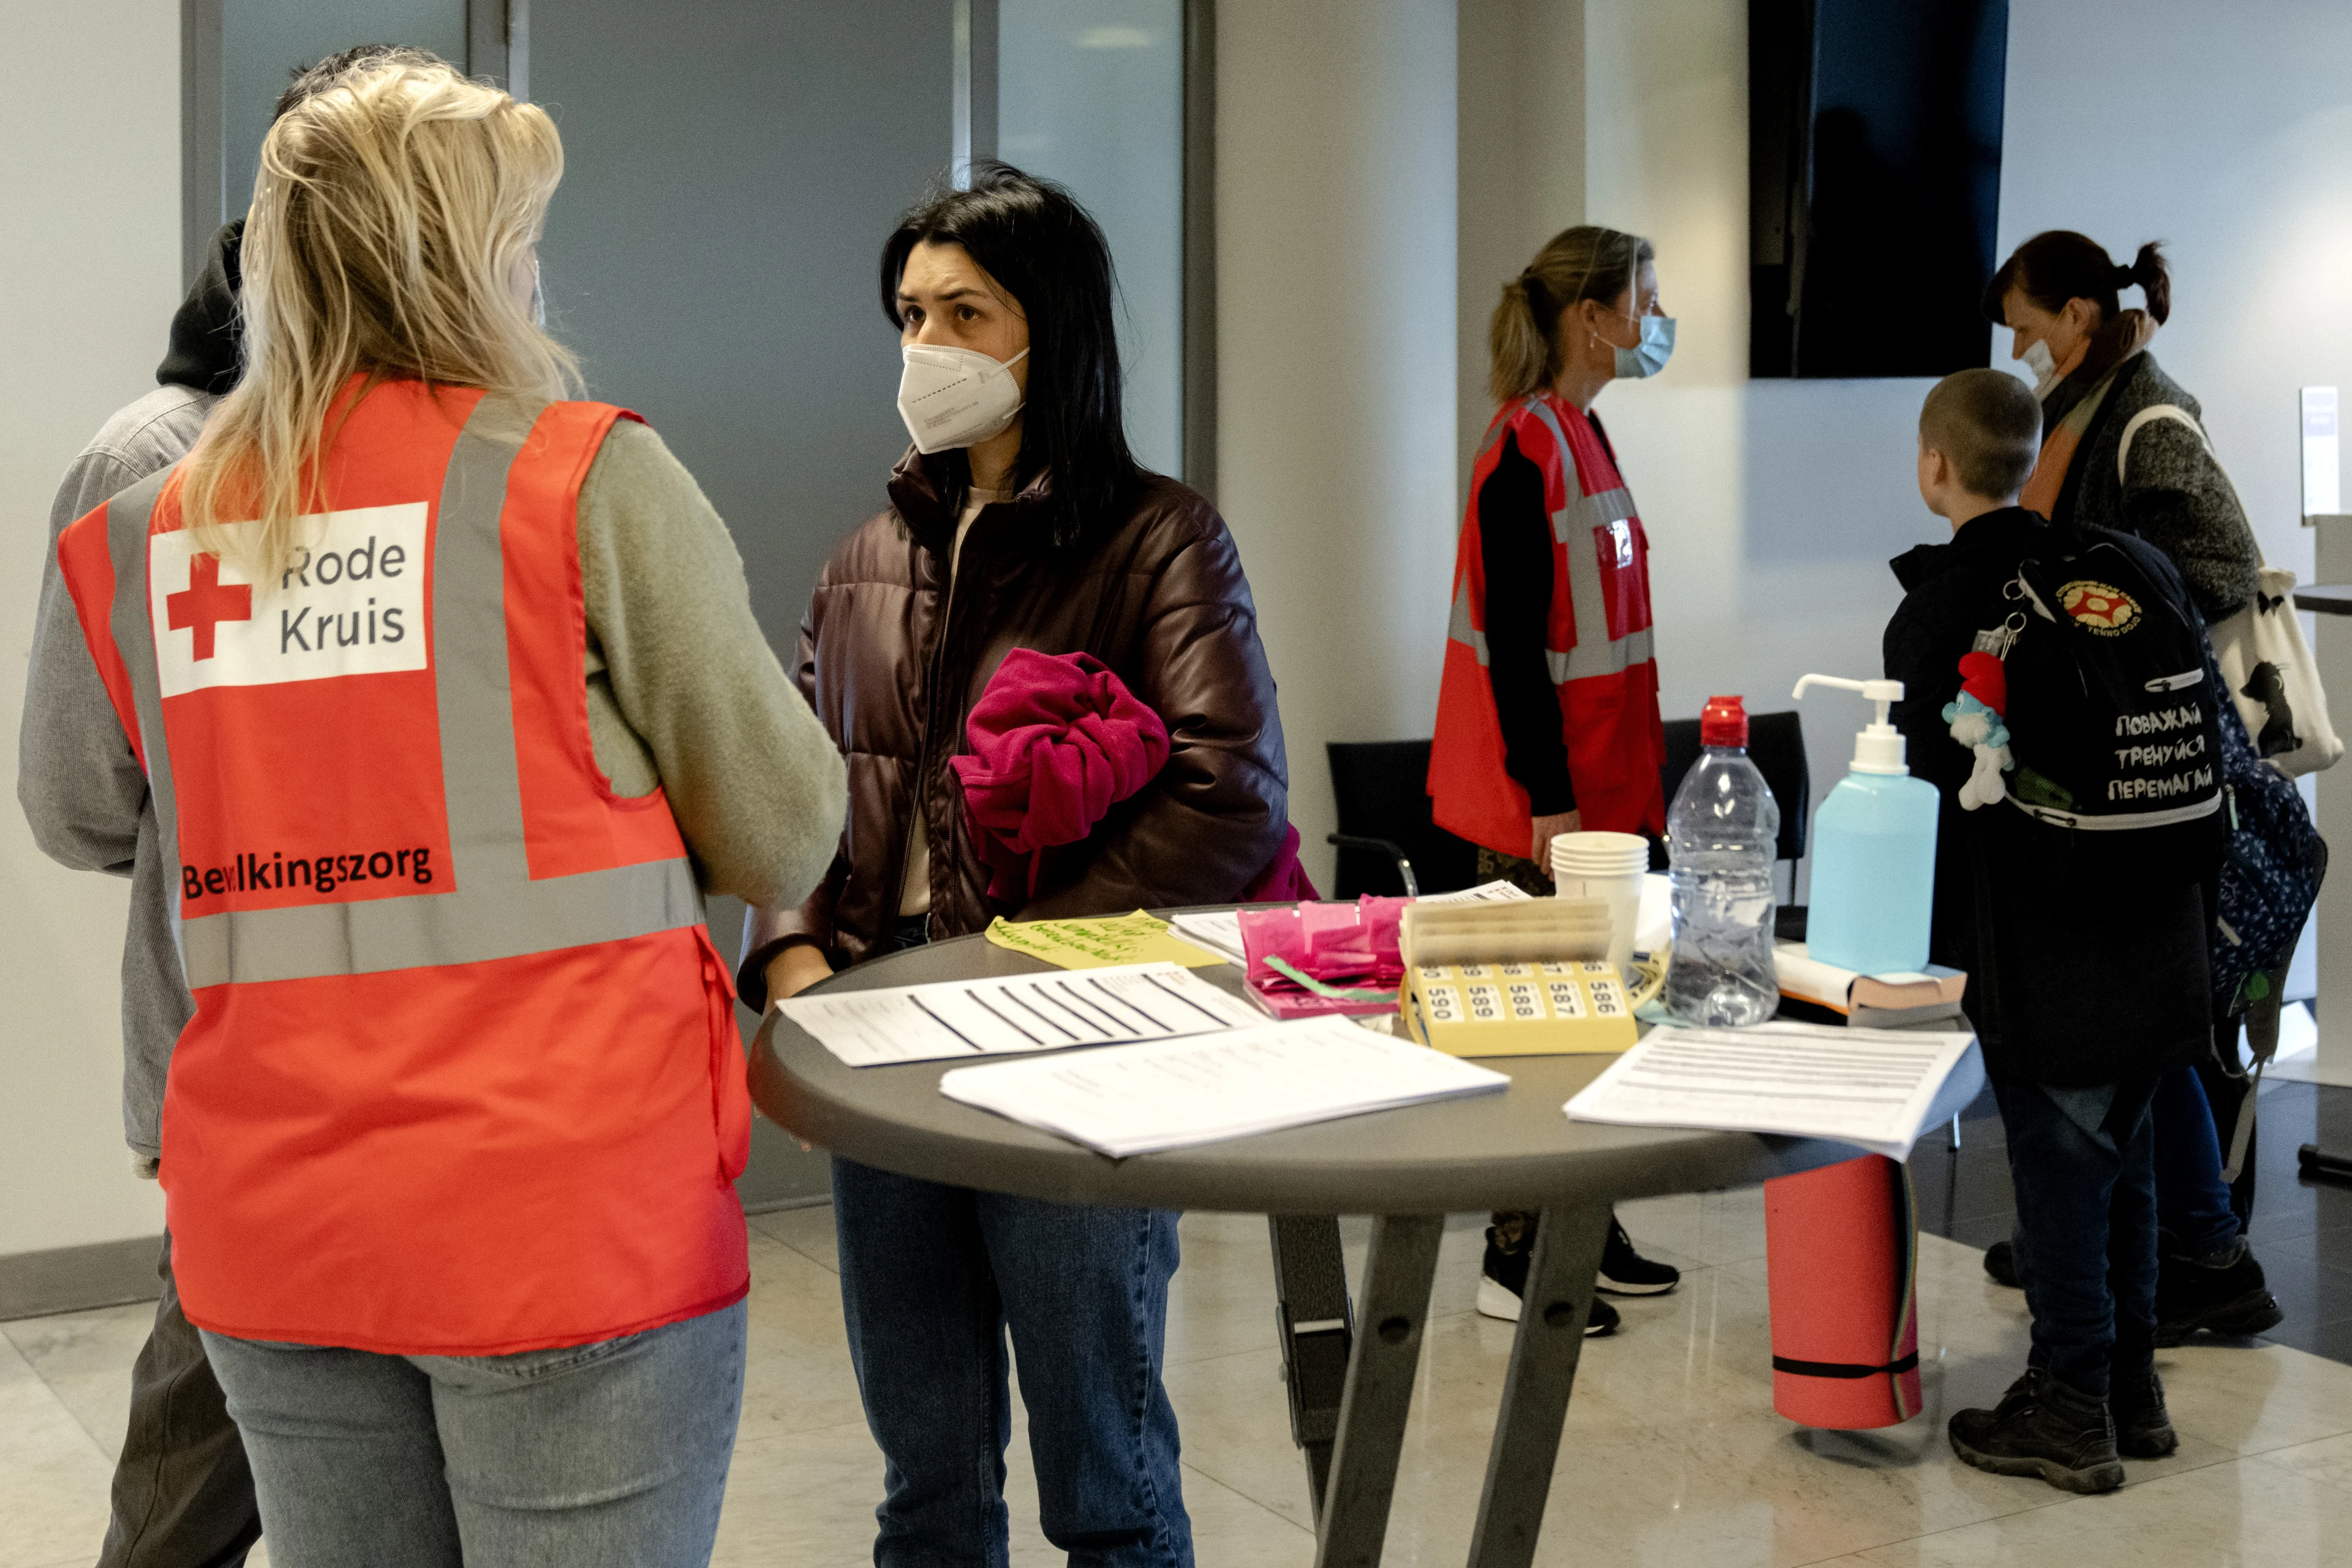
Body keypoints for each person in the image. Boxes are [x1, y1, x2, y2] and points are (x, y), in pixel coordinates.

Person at [21, 53, 846, 1566]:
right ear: (474, 261)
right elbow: (787, 831)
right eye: (522, 233)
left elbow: (77, 809)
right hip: (564, 1218)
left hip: (277, 1225)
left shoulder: (156, 526)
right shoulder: (579, 482)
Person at [736, 162, 1285, 1567]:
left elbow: (1228, 795)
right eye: (909, 314)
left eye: (965, 313)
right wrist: (795, 953)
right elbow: (809, 785)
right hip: (880, 1046)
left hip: (1073, 1051)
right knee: (925, 1474)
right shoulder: (867, 554)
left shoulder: (1160, 537)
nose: (927, 349)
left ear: (1052, 330)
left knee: (1104, 1475)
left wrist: (1011, 965)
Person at [23, 43, 424, 1568]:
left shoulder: (478, 464)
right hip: (243, 1053)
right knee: (210, 1450)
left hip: (450, 1056)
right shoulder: (158, 465)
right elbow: (78, 798)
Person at [1889, 368, 2215, 1493]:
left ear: (1937, 468)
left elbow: (1937, 780)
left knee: (2064, 1175)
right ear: (2031, 456)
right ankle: (2133, 1389)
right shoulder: (2130, 569)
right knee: (2123, 1166)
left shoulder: (1944, 606)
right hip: (2164, 923)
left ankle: (2072, 1402)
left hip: (2052, 938)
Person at [1982, 231, 2281, 1344]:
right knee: (2142, 1020)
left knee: (2153, 1023)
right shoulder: (2087, 403)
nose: (2019, 346)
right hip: (2118, 754)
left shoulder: (2149, 411)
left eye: (2026, 323)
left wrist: (2092, 605)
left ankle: (2206, 1252)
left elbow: (2214, 567)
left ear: (2075, 313)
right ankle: (2146, 1240)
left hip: (2160, 757)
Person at [1427, 225, 1682, 1335]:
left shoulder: (1584, 430)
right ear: (1594, 317)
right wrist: (1550, 801)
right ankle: (1515, 1259)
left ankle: (1588, 1224)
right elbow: (1520, 649)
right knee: (1541, 1036)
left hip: (1610, 794)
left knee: (1609, 1022)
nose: (1658, 318)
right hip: (1547, 805)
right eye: (1647, 298)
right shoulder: (1522, 450)